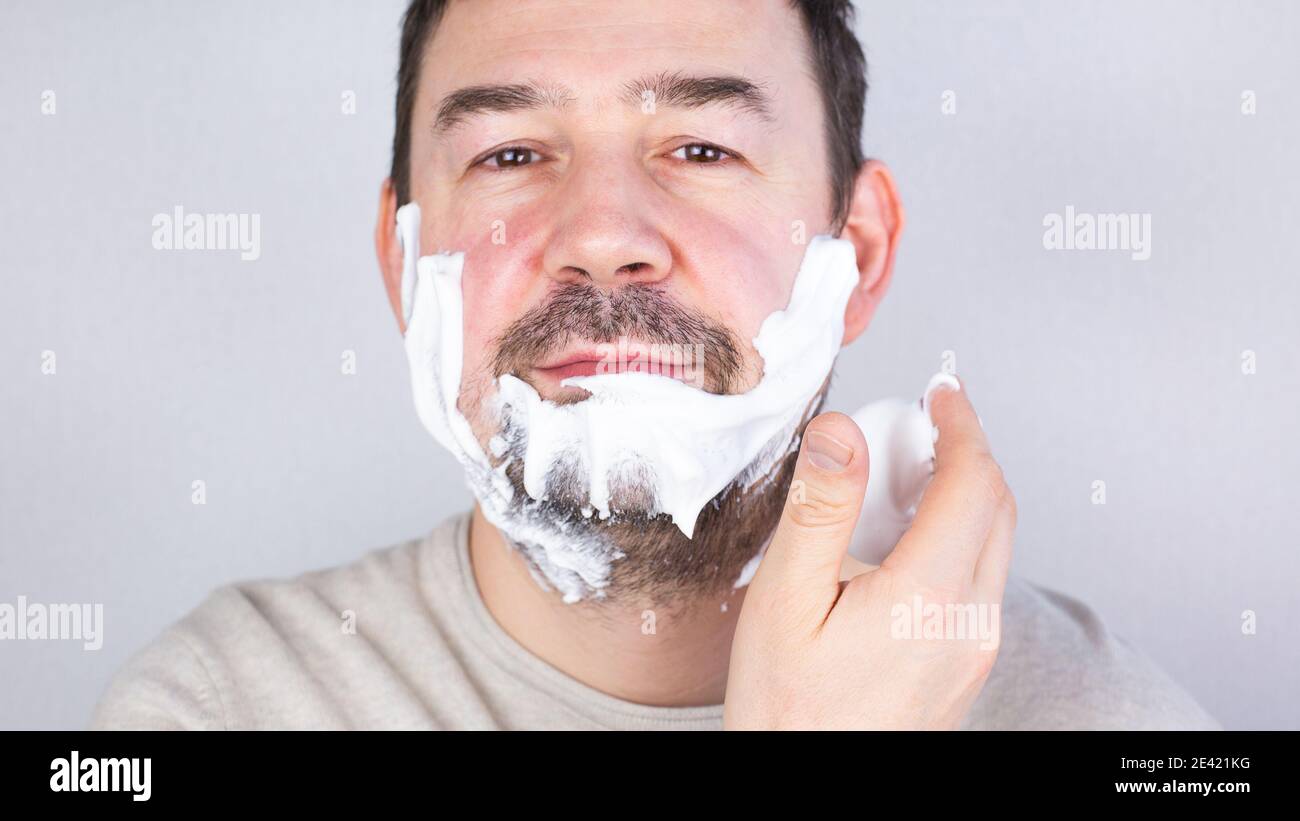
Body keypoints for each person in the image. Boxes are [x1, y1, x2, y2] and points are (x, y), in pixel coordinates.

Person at [91, 0, 1218, 730]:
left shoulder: (1117, 729)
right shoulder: (213, 709)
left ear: (856, 252)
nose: (601, 230)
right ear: (403, 262)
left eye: (699, 147)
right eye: (513, 152)